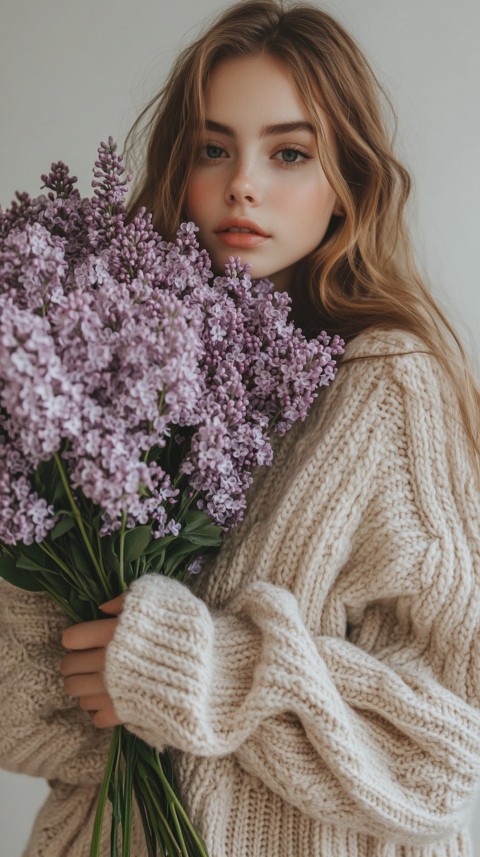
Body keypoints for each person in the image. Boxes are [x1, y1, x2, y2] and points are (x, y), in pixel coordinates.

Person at [1, 1, 480, 855]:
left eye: (289, 152)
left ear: (349, 184)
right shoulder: (109, 374)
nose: (242, 184)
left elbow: (442, 759)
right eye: (213, 149)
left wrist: (197, 675)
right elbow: (19, 712)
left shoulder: (388, 388)